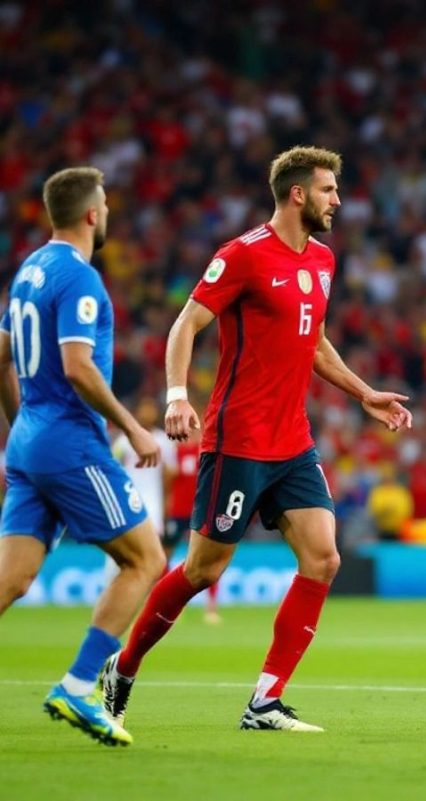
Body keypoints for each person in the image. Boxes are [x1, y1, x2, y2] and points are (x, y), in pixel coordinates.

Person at [98, 146, 413, 733]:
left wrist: (364, 393)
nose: (337, 201)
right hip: (237, 440)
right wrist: (175, 397)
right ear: (298, 194)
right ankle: (124, 665)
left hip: (292, 441)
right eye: (328, 190)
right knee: (202, 571)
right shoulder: (242, 256)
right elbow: (184, 324)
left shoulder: (322, 260)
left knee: (323, 558)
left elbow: (314, 342)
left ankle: (265, 700)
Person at [0, 167, 166, 746]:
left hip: (27, 440)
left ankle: (76, 687)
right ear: (92, 214)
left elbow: (2, 354)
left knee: (11, 581)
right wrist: (133, 428)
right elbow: (77, 365)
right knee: (145, 559)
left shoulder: (29, 270)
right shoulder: (80, 279)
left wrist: (19, 425)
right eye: (106, 206)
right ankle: (75, 688)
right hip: (69, 442)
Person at [106, 395, 176, 582]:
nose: (148, 413)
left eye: (151, 408)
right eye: (145, 408)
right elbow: (112, 470)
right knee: (121, 555)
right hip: (127, 503)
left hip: (153, 507)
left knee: (152, 557)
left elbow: (168, 478)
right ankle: (115, 590)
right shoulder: (123, 441)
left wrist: (167, 508)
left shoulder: (164, 441)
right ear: (136, 412)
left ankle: (149, 602)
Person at [164, 422, 222, 622]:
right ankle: (167, 604)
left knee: (208, 559)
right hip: (177, 513)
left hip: (199, 512)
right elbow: (168, 484)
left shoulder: (206, 453)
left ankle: (211, 607)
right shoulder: (175, 453)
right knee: (165, 556)